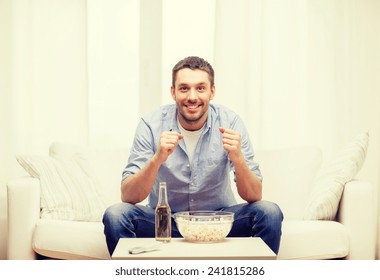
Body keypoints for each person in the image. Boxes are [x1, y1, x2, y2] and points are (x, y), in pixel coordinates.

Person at [103, 56, 283, 256]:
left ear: (212, 91)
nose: (192, 97)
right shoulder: (150, 124)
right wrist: (157, 159)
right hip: (165, 224)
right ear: (173, 92)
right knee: (115, 215)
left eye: (200, 88)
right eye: (184, 88)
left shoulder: (230, 122)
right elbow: (128, 196)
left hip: (218, 223)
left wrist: (237, 157)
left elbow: (254, 195)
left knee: (270, 212)